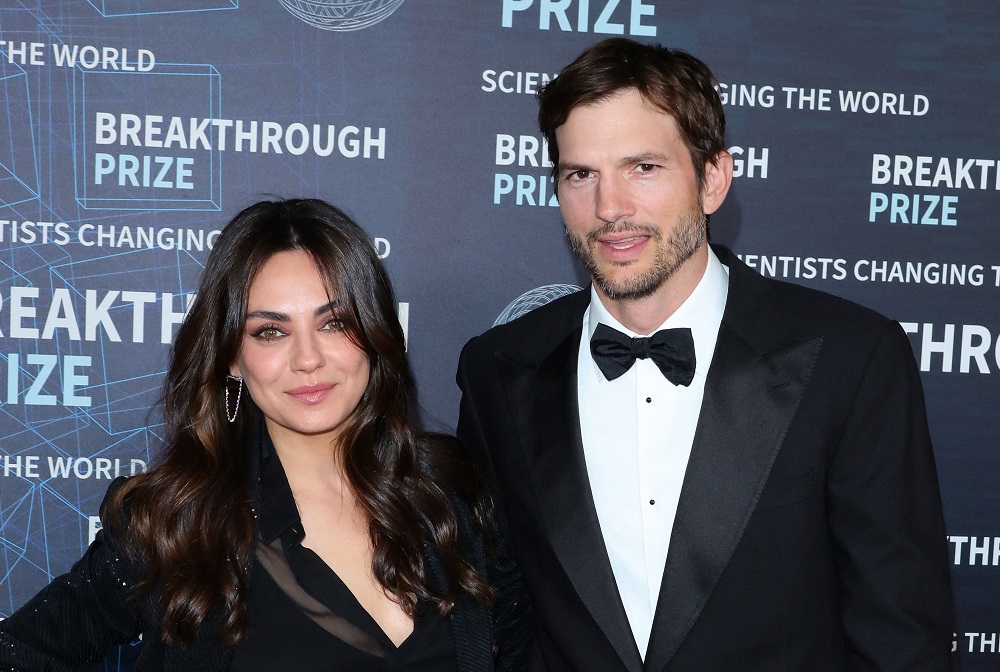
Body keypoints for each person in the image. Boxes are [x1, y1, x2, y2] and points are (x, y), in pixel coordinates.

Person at [456, 37, 953, 671]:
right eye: (581, 174)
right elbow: (497, 615)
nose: (610, 208)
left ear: (713, 179)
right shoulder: (499, 370)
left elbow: (902, 637)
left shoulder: (851, 360)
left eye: (643, 167)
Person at [0, 198, 530, 672]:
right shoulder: (178, 524)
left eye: (334, 323)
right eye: (270, 331)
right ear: (232, 357)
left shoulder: (453, 495)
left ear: (373, 333)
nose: (308, 359)